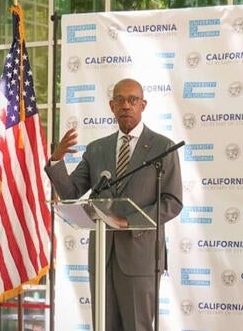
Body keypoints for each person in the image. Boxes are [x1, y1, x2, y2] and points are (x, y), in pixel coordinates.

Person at [45, 78, 183, 331]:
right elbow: (71, 192)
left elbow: (172, 202)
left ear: (143, 105)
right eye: (120, 100)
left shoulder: (163, 147)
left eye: (132, 100)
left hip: (140, 257)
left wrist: (129, 221)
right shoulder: (98, 149)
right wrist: (56, 160)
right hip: (102, 256)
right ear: (111, 106)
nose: (126, 106)